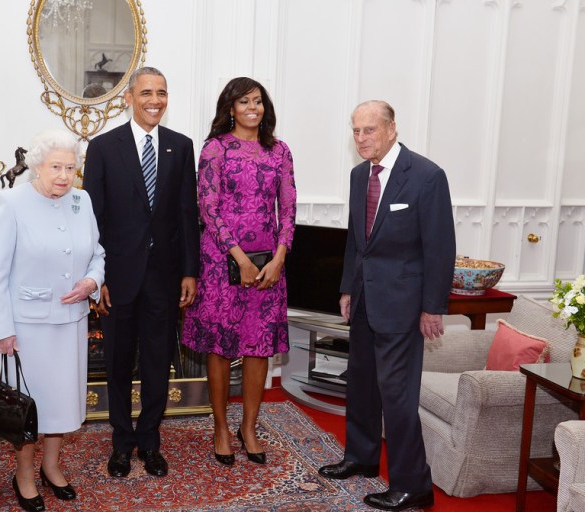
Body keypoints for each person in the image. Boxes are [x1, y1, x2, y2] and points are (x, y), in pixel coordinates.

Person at [317, 100, 455, 511]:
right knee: (359, 385)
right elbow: (355, 242)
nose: (361, 138)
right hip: (362, 300)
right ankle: (360, 458)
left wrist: (433, 307)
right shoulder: (360, 175)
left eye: (369, 130)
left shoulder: (427, 176)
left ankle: (414, 486)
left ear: (392, 129)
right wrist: (346, 289)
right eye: (355, 131)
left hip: (403, 305)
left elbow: (440, 247)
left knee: (396, 397)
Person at [83, 67, 200, 478]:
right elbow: (92, 220)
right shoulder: (102, 148)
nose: (155, 100)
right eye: (147, 92)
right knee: (116, 364)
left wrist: (190, 271)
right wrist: (98, 278)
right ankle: (121, 443)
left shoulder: (180, 147)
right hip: (117, 277)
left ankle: (150, 441)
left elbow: (188, 214)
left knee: (156, 362)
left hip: (165, 278)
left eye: (162, 93)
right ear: (129, 97)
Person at [0, 128, 105, 511]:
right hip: (27, 328)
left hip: (71, 321)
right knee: (30, 406)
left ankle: (52, 467)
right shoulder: (12, 201)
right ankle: (23, 475)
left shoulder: (81, 200)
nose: (64, 176)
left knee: (60, 403)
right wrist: (2, 330)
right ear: (37, 165)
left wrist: (92, 281)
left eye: (71, 167)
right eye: (56, 167)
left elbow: (97, 253)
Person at [181, 77, 296, 466]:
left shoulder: (279, 151)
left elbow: (289, 208)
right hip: (219, 260)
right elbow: (207, 207)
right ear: (230, 107)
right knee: (220, 344)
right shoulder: (215, 149)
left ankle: (249, 426)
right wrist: (240, 258)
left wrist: (279, 257)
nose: (253, 108)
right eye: (244, 101)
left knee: (258, 345)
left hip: (269, 264)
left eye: (258, 101)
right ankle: (220, 427)